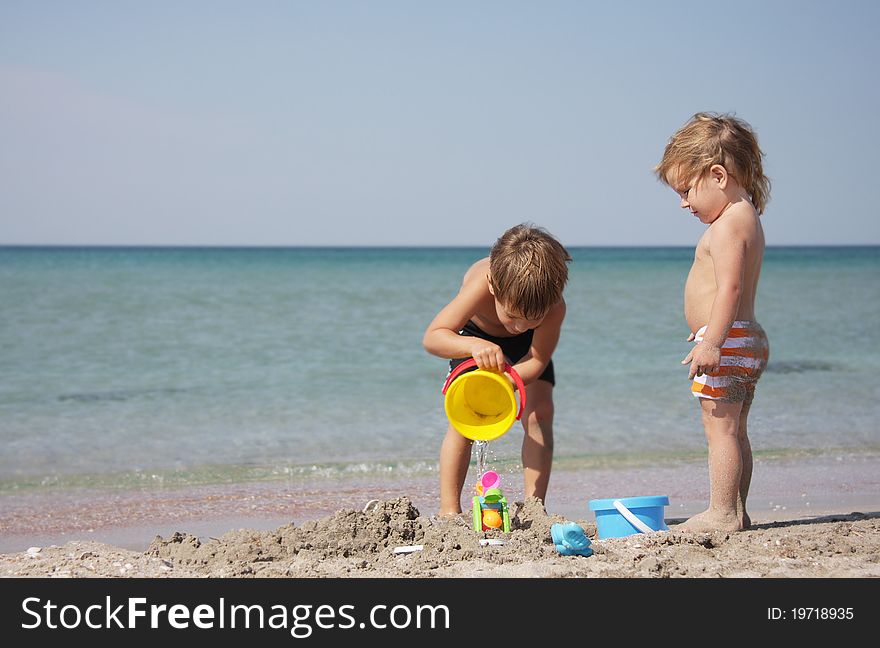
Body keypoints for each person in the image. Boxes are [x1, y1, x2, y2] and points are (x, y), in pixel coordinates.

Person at [655, 112, 771, 532]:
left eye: (687, 190)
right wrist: (709, 329)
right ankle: (737, 511)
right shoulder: (746, 216)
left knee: (719, 428)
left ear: (718, 175)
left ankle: (722, 512)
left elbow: (730, 290)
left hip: (730, 339)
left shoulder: (726, 225)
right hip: (744, 336)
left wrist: (712, 340)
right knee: (736, 428)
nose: (684, 202)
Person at [423, 223, 572, 516]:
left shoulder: (553, 307)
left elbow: (537, 360)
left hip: (528, 351)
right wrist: (474, 347)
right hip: (474, 338)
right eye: (513, 315)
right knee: (465, 419)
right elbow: (434, 336)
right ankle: (449, 510)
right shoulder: (481, 284)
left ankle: (534, 507)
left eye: (531, 319)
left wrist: (508, 381)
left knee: (540, 413)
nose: (519, 326)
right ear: (494, 286)